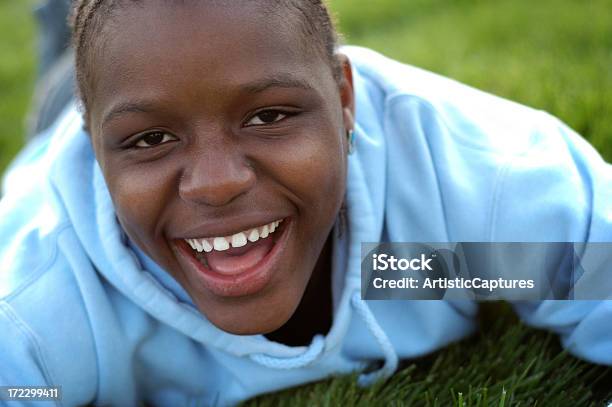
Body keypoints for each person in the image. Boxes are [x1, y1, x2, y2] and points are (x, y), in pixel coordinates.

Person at [1, 1, 611, 406]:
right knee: (78, 68)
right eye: (150, 140)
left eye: (269, 116)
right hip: (74, 105)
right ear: (94, 154)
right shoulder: (33, 304)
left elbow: (596, 274)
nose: (215, 185)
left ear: (345, 99)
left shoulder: (474, 182)